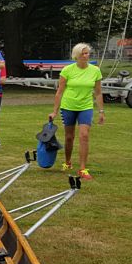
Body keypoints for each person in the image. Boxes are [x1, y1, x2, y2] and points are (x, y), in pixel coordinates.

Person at [48, 43, 104, 180]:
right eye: (84, 53)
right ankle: (67, 162)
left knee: (84, 135)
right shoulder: (67, 70)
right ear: (77, 56)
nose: (86, 55)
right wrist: (54, 111)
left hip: (86, 107)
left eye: (87, 53)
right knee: (69, 137)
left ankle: (83, 169)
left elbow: (98, 93)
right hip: (68, 106)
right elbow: (59, 92)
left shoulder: (95, 71)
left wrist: (101, 111)